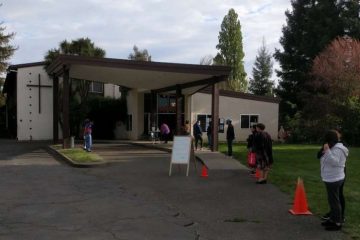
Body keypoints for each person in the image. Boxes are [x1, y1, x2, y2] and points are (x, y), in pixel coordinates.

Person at [318, 130, 348, 231]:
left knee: (335, 201)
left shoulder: (338, 149)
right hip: (331, 177)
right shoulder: (334, 147)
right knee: (332, 200)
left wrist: (327, 151)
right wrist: (325, 151)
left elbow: (335, 162)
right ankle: (332, 219)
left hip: (334, 178)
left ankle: (337, 223)